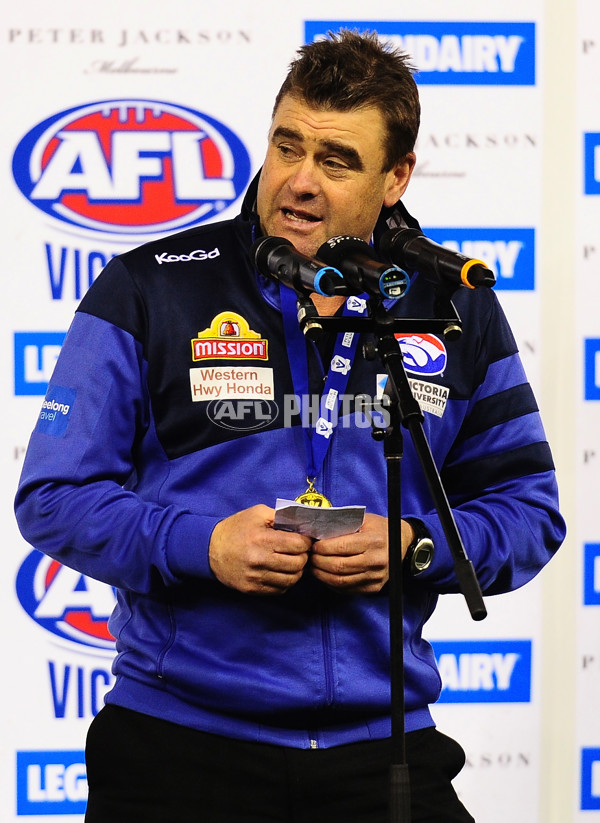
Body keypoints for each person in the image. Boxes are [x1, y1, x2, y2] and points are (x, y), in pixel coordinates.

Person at [15, 29, 565, 823]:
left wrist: (413, 546)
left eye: (337, 160)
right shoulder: (146, 289)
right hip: (179, 750)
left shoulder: (454, 306)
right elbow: (53, 496)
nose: (299, 182)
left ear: (396, 176)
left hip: (384, 753)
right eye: (287, 146)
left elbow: (530, 510)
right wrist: (199, 546)